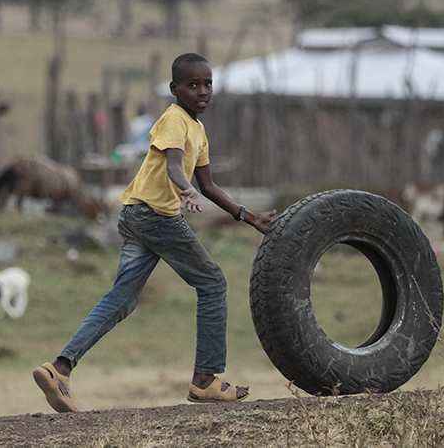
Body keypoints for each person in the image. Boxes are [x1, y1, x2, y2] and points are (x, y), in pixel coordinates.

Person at [33, 52, 277, 412]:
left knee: (124, 297)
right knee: (212, 283)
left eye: (208, 84)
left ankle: (59, 369)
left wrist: (246, 215)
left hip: (136, 214)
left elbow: (208, 185)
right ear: (174, 88)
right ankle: (206, 381)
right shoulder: (174, 120)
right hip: (155, 217)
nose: (202, 91)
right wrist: (185, 189)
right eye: (193, 85)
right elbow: (175, 165)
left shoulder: (198, 129)